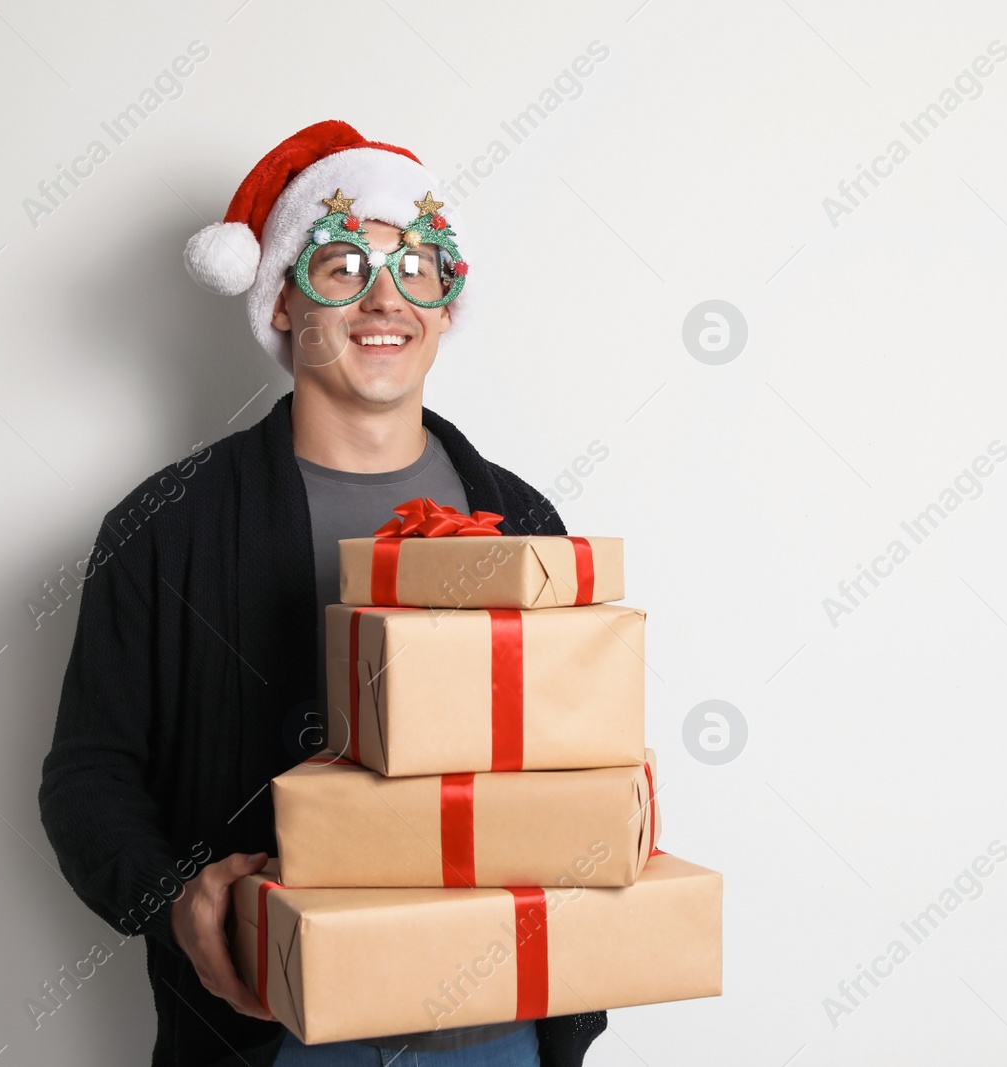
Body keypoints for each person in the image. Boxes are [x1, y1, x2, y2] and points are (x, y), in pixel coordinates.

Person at [38, 120, 606, 1067]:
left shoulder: (523, 519)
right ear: (282, 306)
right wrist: (179, 898)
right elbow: (87, 782)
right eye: (342, 266)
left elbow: (576, 758)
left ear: (448, 304)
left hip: (499, 1025)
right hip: (277, 1031)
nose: (387, 297)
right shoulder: (166, 526)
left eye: (420, 266)